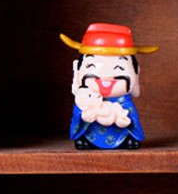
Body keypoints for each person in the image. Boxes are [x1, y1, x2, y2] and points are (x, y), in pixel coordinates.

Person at [60, 22, 158, 150]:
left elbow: (133, 118)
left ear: (136, 73)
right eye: (92, 66)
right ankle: (85, 139)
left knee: (130, 136)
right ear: (77, 71)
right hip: (91, 133)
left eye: (119, 68)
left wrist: (125, 120)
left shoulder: (124, 102)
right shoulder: (87, 99)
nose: (107, 76)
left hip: (121, 134)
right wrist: (83, 116)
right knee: (83, 136)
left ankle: (127, 139)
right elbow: (78, 113)